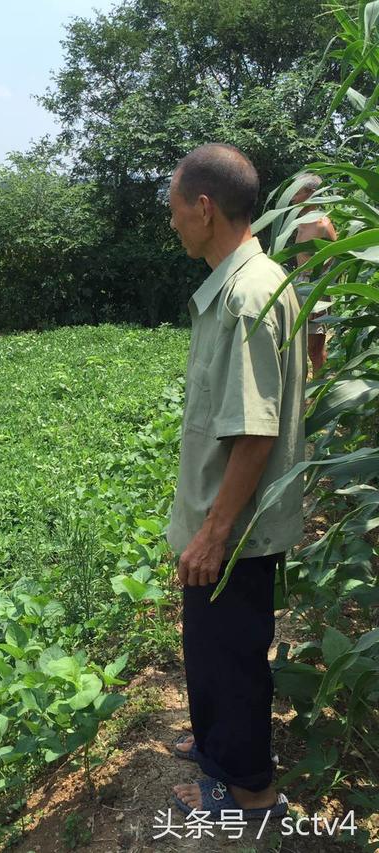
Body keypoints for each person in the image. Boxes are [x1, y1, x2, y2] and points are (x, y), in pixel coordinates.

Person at [165, 143, 307, 821]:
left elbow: (256, 432)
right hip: (221, 522)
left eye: (174, 209)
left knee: (235, 656)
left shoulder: (246, 297)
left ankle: (251, 787)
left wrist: (214, 534)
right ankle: (217, 744)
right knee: (211, 647)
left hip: (235, 531)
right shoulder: (245, 283)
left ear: (204, 207)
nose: (172, 224)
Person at [290, 174, 337, 377]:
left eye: (296, 193)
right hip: (298, 286)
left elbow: (338, 258)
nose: (292, 198)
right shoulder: (300, 222)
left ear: (310, 193)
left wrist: (320, 293)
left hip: (315, 289)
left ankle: (319, 397)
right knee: (298, 347)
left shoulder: (322, 224)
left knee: (315, 350)